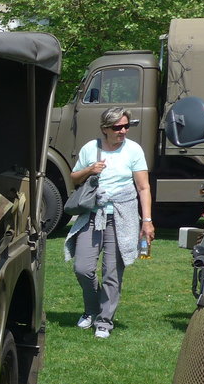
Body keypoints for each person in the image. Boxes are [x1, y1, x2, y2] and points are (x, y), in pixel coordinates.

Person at [64, 107, 154, 339]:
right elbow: (74, 178)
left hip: (121, 216)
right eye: (117, 127)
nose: (123, 131)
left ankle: (104, 321)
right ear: (105, 129)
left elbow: (143, 188)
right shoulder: (90, 148)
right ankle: (92, 310)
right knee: (82, 268)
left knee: (112, 273)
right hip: (92, 216)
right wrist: (90, 169)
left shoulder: (133, 150)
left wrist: (147, 221)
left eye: (126, 126)